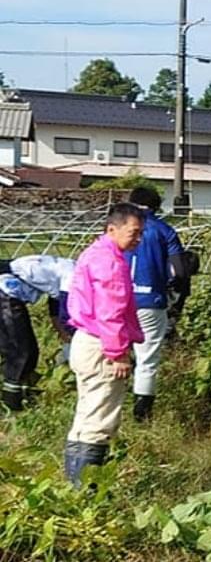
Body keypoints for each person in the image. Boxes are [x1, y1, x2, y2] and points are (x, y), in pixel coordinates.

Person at [64, 202, 145, 486]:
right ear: (112, 229)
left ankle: (73, 486)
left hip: (85, 341)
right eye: (134, 232)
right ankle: (86, 492)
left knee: (85, 417)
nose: (138, 239)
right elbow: (110, 311)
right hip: (101, 346)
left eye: (140, 233)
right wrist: (118, 353)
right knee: (99, 422)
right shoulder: (110, 263)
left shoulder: (93, 253)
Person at [125, 186, 190, 421]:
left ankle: (109, 406)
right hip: (150, 300)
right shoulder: (164, 230)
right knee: (147, 359)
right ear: (156, 207)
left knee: (113, 353)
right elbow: (179, 271)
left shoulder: (117, 227)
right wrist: (176, 298)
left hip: (117, 301)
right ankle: (141, 416)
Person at [0, 254, 75, 411]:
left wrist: (65, 335)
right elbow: (64, 311)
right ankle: (12, 404)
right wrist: (73, 336)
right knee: (20, 351)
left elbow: (55, 309)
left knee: (27, 351)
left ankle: (23, 392)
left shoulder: (65, 268)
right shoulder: (74, 274)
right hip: (6, 294)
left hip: (11, 294)